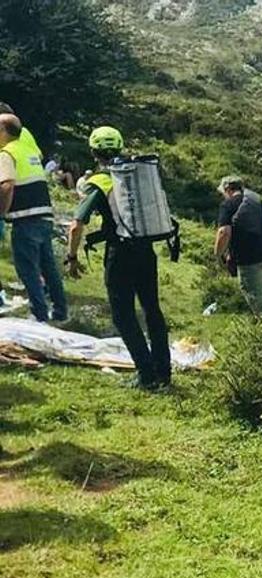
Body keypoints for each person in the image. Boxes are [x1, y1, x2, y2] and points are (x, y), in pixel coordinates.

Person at [66, 127, 170, 390]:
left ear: (93, 152)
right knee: (152, 310)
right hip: (146, 249)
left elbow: (77, 223)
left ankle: (146, 375)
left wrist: (72, 256)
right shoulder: (137, 175)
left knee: (123, 315)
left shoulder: (101, 180)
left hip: (120, 254)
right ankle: (163, 372)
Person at [0, 114, 68, 323]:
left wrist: (1, 212)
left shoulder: (6, 154)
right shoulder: (28, 150)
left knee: (27, 268)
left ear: (3, 130)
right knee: (48, 267)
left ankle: (38, 314)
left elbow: (7, 185)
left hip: (24, 217)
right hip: (44, 215)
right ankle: (60, 311)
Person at [214, 175, 262, 315]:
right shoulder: (255, 200)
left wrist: (218, 254)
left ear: (227, 189)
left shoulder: (228, 205)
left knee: (255, 295)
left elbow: (224, 232)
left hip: (249, 258)